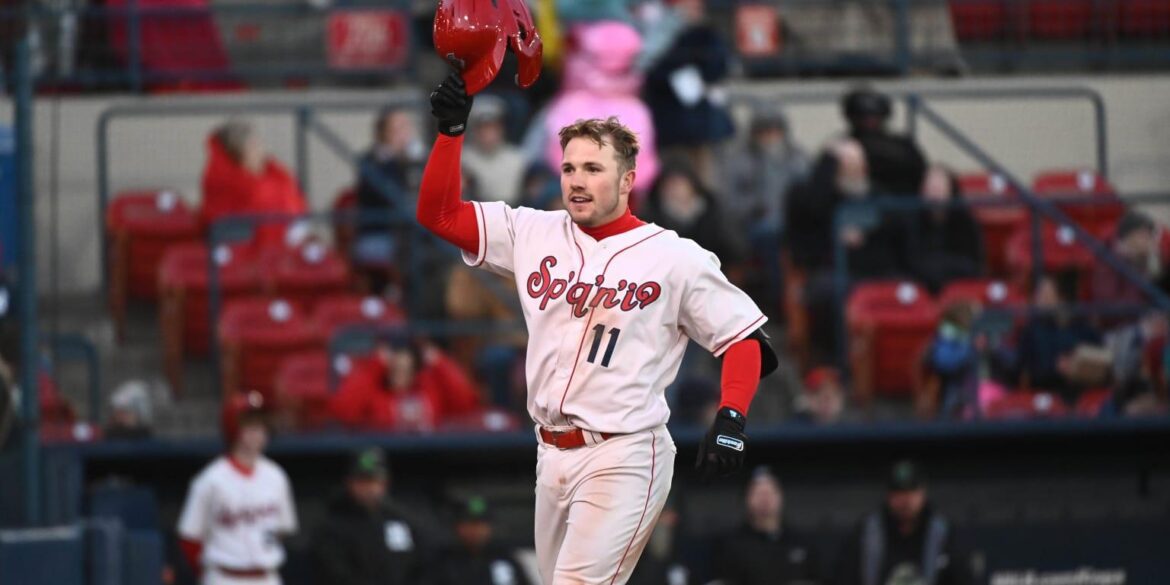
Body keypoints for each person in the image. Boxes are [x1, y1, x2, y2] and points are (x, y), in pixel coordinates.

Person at [420, 72, 778, 584]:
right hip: (551, 453)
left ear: (628, 179)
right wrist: (450, 132)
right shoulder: (534, 230)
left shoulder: (674, 257)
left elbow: (745, 337)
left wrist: (732, 418)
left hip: (625, 451)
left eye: (593, 167)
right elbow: (439, 214)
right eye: (568, 168)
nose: (577, 180)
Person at [177, 392, 297, 585]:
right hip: (225, 576)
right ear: (233, 428)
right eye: (249, 425)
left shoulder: (276, 476)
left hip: (267, 576)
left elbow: (282, 530)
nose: (258, 432)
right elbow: (190, 538)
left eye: (262, 425)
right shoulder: (211, 479)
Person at [834, 460, 974, 585]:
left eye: (911, 491)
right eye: (898, 492)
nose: (905, 500)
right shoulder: (867, 533)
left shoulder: (943, 533)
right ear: (888, 496)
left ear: (922, 492)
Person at [642, 0, 735, 188]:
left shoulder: (708, 35)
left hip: (701, 121)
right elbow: (652, 70)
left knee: (704, 175)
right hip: (669, 119)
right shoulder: (658, 34)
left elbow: (717, 68)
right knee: (672, 173)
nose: (692, 12)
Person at [311, 447, 429, 585]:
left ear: (385, 482)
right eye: (362, 481)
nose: (368, 488)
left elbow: (422, 564)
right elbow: (333, 573)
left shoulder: (402, 520)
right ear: (350, 483)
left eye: (373, 480)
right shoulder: (333, 526)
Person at [329, 332, 482, 432]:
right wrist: (375, 366)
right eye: (395, 369)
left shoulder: (429, 389)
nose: (400, 375)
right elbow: (344, 410)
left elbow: (465, 403)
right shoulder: (375, 393)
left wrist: (440, 362)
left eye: (406, 369)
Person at [200, 119, 307, 252]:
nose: (260, 151)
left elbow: (296, 202)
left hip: (286, 247)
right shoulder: (223, 180)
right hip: (242, 252)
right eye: (252, 147)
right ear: (237, 154)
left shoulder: (277, 175)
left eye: (258, 144)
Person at [352, 107, 427, 294]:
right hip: (382, 232)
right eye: (397, 129)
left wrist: (419, 161)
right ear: (383, 133)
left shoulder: (420, 159)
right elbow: (387, 194)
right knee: (407, 255)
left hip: (417, 232)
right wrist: (395, 160)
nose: (403, 134)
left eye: (406, 127)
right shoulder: (370, 161)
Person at [716, 467, 821, 585]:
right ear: (746, 498)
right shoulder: (732, 545)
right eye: (758, 493)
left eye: (770, 492)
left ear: (781, 496)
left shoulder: (802, 542)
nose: (765, 499)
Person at [640, 160, 746, 277]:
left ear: (692, 185)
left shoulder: (713, 210)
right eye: (669, 185)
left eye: (680, 183)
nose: (675, 190)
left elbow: (735, 250)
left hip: (714, 275)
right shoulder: (651, 217)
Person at [1014, 274, 1105, 405]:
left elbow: (1101, 362)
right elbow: (1022, 370)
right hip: (1046, 394)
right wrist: (1055, 367)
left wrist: (1076, 365)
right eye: (1039, 294)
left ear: (1061, 297)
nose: (1039, 300)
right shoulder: (1032, 330)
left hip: (1083, 391)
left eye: (1045, 294)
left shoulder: (1085, 328)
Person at [906, 166, 984, 294]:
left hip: (958, 292)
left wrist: (939, 266)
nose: (934, 194)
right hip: (922, 291)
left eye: (939, 189)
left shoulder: (966, 222)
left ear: (951, 191)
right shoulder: (911, 222)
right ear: (922, 191)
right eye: (930, 188)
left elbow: (974, 266)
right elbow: (910, 264)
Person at [840, 87, 928, 198]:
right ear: (851, 116)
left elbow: (919, 171)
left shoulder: (900, 144)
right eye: (862, 116)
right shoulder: (841, 148)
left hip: (903, 204)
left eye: (874, 115)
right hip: (860, 209)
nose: (869, 120)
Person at [434, 496, 534, 585]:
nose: (476, 530)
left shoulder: (505, 559)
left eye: (481, 524)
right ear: (458, 527)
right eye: (470, 523)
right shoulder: (442, 563)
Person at [462, 96, 529, 206]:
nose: (488, 133)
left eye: (493, 127)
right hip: (476, 213)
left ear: (502, 128)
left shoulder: (518, 158)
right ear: (474, 129)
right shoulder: (462, 158)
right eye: (483, 128)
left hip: (513, 213)